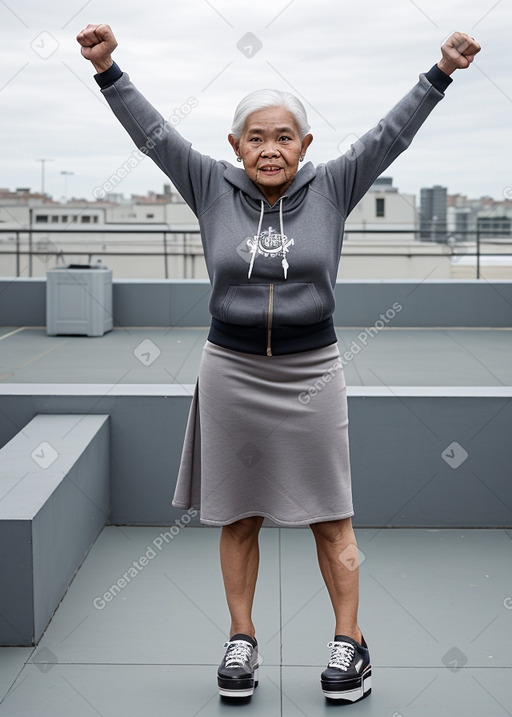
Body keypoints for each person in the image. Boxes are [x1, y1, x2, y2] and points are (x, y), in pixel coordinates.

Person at [77, 24, 480, 703]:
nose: (270, 149)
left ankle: (350, 643)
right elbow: (150, 133)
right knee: (238, 515)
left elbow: (392, 132)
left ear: (305, 145)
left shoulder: (335, 185)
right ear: (235, 147)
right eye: (256, 138)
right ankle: (242, 639)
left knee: (332, 515)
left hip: (312, 370)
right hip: (230, 370)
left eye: (284, 136)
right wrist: (107, 67)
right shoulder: (208, 183)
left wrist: (440, 71)